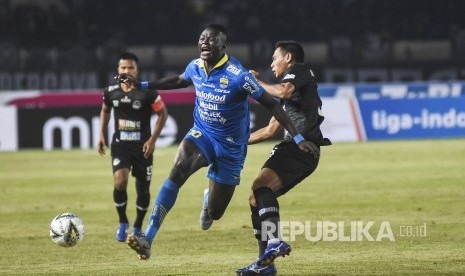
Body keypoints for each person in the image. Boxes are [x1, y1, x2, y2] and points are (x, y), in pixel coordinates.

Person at [115, 24, 319, 260]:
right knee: (178, 168)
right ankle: (147, 238)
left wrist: (298, 137)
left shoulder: (238, 75)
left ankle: (207, 202)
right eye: (202, 38)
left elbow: (273, 105)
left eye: (211, 40)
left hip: (231, 149)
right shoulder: (195, 67)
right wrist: (141, 84)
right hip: (203, 135)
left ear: (223, 46)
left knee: (216, 211)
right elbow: (180, 80)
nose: (205, 42)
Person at [236, 41, 331, 275]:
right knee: (256, 198)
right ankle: (264, 264)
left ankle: (274, 241)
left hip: (301, 147)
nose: (271, 63)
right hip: (299, 150)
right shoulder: (292, 92)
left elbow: (282, 90)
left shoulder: (298, 72)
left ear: (288, 57)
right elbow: (269, 131)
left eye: (274, 58)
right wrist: (234, 141)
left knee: (260, 186)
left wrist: (255, 82)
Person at [98, 52, 168, 242]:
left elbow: (163, 114)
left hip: (143, 148)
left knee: (143, 190)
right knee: (120, 181)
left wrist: (152, 141)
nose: (126, 71)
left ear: (136, 70)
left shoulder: (148, 92)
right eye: (123, 67)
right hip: (120, 145)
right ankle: (122, 222)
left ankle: (137, 226)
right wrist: (101, 134)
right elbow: (105, 110)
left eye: (130, 68)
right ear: (118, 70)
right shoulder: (110, 90)